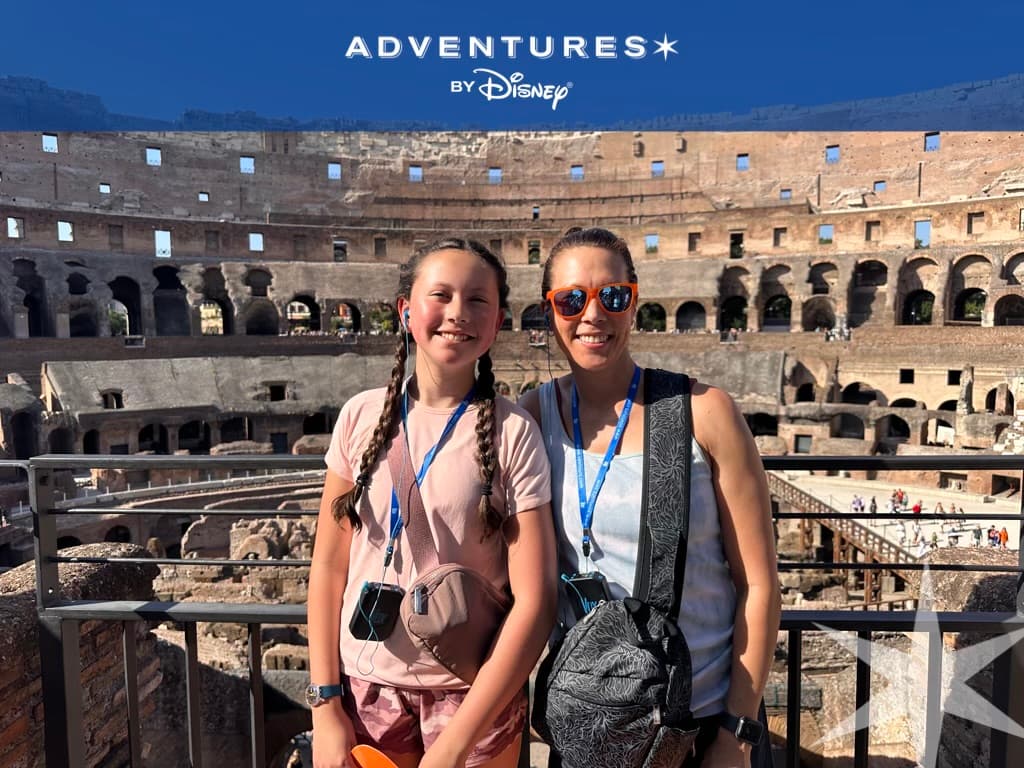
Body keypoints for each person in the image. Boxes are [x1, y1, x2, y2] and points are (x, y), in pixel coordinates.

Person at [519, 228, 780, 768]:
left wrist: (736, 731)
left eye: (612, 296)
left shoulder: (705, 411)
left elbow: (757, 582)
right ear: (550, 314)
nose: (593, 315)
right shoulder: (530, 418)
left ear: (634, 303)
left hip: (697, 726)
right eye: (571, 299)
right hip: (588, 725)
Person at [307, 239, 557, 768]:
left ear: (497, 323)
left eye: (477, 301)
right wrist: (324, 706)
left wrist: (453, 745)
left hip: (472, 697)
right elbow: (328, 567)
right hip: (364, 692)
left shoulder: (514, 433)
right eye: (439, 295)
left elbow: (536, 601)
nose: (456, 314)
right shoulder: (359, 416)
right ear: (405, 311)